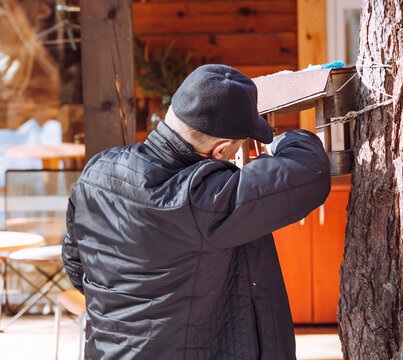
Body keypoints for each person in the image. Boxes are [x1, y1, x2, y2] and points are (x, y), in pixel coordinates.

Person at [62, 64, 331, 359]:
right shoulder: (204, 197)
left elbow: (77, 265)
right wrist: (287, 139)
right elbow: (311, 172)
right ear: (220, 151)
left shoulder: (97, 172)